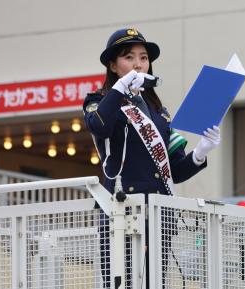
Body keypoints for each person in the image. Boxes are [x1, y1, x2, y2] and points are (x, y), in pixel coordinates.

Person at [83, 28, 221, 288]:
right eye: (129, 57)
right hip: (121, 210)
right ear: (113, 65)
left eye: (144, 58)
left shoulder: (158, 112)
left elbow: (175, 170)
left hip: (158, 212)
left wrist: (201, 152)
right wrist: (120, 89)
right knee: (120, 283)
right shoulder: (99, 100)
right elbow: (98, 125)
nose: (138, 64)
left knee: (155, 282)